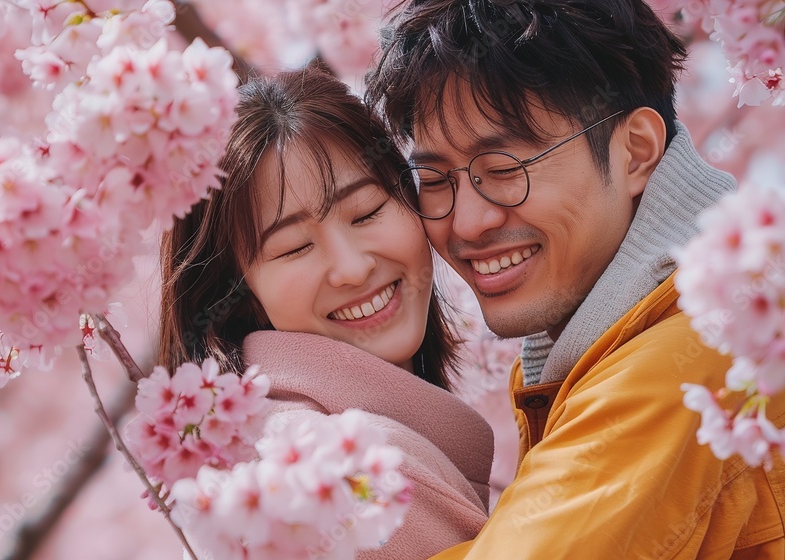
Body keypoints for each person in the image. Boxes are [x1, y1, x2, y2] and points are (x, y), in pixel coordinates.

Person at [365, 0, 785, 558]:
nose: (468, 222)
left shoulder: (690, 361)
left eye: (504, 170)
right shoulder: (641, 333)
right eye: (434, 178)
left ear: (636, 151)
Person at [158, 66, 494, 559]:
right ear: (240, 293)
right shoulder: (349, 470)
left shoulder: (264, 449)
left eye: (366, 213)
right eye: (294, 248)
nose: (352, 269)